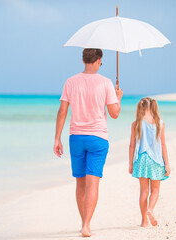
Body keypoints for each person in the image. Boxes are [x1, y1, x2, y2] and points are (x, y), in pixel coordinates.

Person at [54, 48, 123, 237]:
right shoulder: (106, 83)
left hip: (76, 137)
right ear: (99, 60)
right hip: (98, 138)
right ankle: (87, 225)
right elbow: (114, 114)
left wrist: (57, 138)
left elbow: (62, 111)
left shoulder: (70, 81)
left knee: (80, 183)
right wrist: (118, 98)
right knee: (93, 183)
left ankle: (82, 222)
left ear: (83, 59)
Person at [128, 97, 171, 227]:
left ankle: (144, 222)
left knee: (143, 192)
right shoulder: (160, 123)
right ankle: (150, 209)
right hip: (156, 161)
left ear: (140, 108)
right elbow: (163, 144)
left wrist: (131, 163)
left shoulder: (136, 123)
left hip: (141, 159)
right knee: (156, 190)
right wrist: (167, 164)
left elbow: (132, 145)